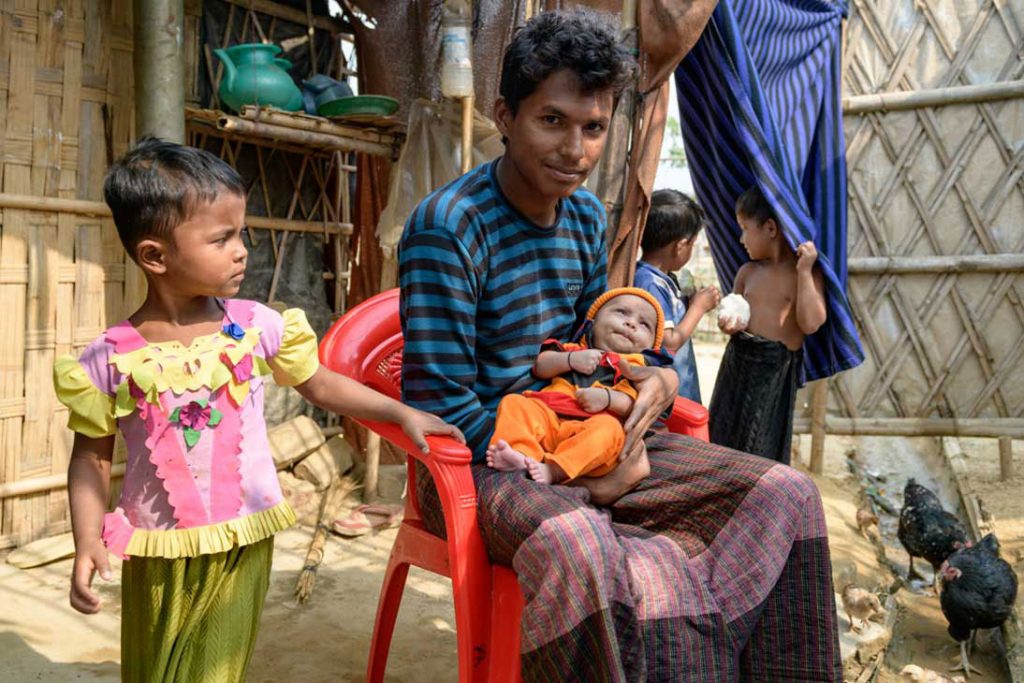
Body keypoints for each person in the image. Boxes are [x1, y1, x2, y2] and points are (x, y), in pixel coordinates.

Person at [399, 9, 840, 681]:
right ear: (505, 115)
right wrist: (584, 470)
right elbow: (440, 403)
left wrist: (652, 376)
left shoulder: (580, 215)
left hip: (584, 427)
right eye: (553, 120)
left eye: (594, 128)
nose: (575, 150)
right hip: (483, 460)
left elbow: (593, 334)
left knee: (783, 493)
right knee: (581, 543)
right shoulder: (449, 227)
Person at [53, 138, 462, 683]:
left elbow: (318, 384)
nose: (242, 249)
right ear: (155, 255)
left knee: (219, 667)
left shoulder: (257, 326)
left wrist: (400, 412)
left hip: (246, 538)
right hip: (157, 548)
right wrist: (86, 540)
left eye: (240, 233)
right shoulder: (109, 358)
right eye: (221, 238)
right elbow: (90, 460)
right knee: (155, 668)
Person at [486, 287, 672, 485]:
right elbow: (541, 366)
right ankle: (519, 454)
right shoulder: (573, 349)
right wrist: (570, 359)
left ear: (652, 346)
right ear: (593, 322)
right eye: (621, 312)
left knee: (609, 430)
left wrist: (608, 399)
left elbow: (633, 406)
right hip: (549, 418)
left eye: (644, 324)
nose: (631, 323)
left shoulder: (636, 371)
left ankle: (554, 470)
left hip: (590, 436)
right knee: (515, 403)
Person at [708, 185, 827, 464]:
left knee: (761, 443)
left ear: (770, 228)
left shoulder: (804, 275)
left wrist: (804, 272)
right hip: (737, 364)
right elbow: (733, 315)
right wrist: (729, 325)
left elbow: (811, 324)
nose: (740, 238)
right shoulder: (747, 273)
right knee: (723, 432)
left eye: (745, 228)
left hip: (774, 372)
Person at [634, 189, 720, 403]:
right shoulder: (650, 283)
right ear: (681, 246)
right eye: (691, 244)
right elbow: (669, 342)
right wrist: (698, 308)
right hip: (668, 400)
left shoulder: (660, 278)